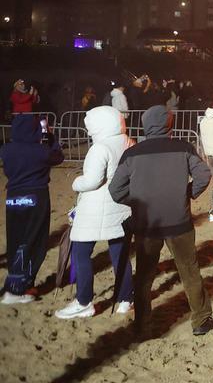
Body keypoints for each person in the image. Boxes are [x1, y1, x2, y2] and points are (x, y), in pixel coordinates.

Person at [108, 105, 213, 336]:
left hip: (147, 223)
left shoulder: (132, 153)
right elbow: (204, 174)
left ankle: (142, 324)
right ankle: (201, 320)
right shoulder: (182, 148)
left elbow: (115, 190)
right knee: (189, 271)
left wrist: (137, 201)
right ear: (169, 124)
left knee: (145, 275)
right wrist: (187, 193)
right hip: (178, 221)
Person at [56, 106, 135, 319]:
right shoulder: (127, 142)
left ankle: (83, 301)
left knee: (80, 252)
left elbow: (92, 181)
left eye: (90, 127)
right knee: (119, 254)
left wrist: (76, 182)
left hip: (96, 208)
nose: (89, 132)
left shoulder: (100, 148)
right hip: (121, 207)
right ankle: (126, 298)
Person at [1, 114, 64, 304]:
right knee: (33, 241)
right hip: (35, 196)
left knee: (15, 239)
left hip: (13, 196)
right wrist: (51, 138)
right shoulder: (41, 151)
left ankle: (14, 282)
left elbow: (8, 171)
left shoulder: (6, 149)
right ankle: (19, 288)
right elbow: (58, 157)